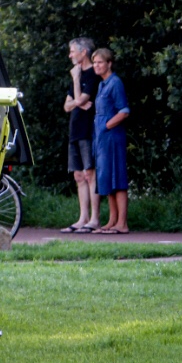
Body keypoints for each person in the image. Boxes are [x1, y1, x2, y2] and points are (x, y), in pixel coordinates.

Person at [61, 38, 101, 233]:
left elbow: (80, 98)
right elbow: (67, 106)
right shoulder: (76, 74)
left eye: (72, 51)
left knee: (89, 173)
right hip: (75, 129)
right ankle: (82, 217)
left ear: (83, 52)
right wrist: (78, 102)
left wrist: (77, 81)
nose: (70, 55)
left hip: (88, 129)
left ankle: (94, 219)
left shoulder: (92, 73)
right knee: (78, 175)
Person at [91, 48, 130, 234]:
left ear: (109, 63)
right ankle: (112, 221)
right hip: (102, 138)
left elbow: (124, 111)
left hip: (112, 136)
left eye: (100, 62)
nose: (96, 66)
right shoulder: (101, 85)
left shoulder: (115, 83)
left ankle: (122, 223)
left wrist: (106, 126)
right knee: (107, 177)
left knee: (118, 177)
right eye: (95, 62)